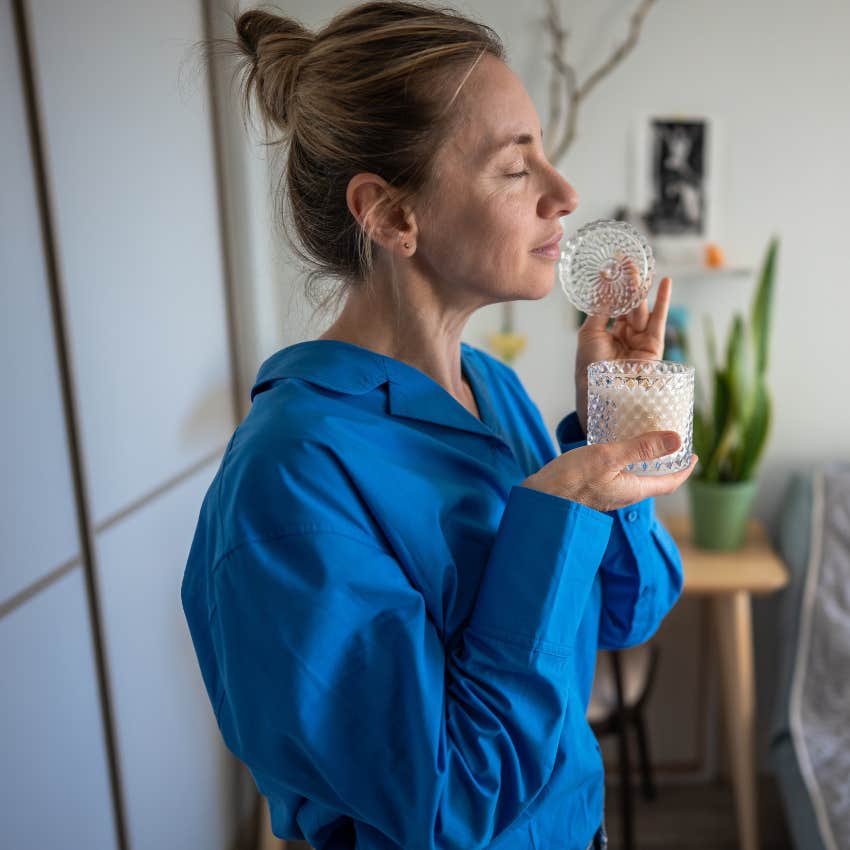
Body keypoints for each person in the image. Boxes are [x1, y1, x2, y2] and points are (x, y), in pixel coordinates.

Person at [181, 3, 697, 849]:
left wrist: (612, 424)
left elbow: (625, 615)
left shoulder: (491, 391)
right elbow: (450, 804)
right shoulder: (287, 483)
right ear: (389, 215)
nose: (564, 195)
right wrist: (557, 510)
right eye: (513, 168)